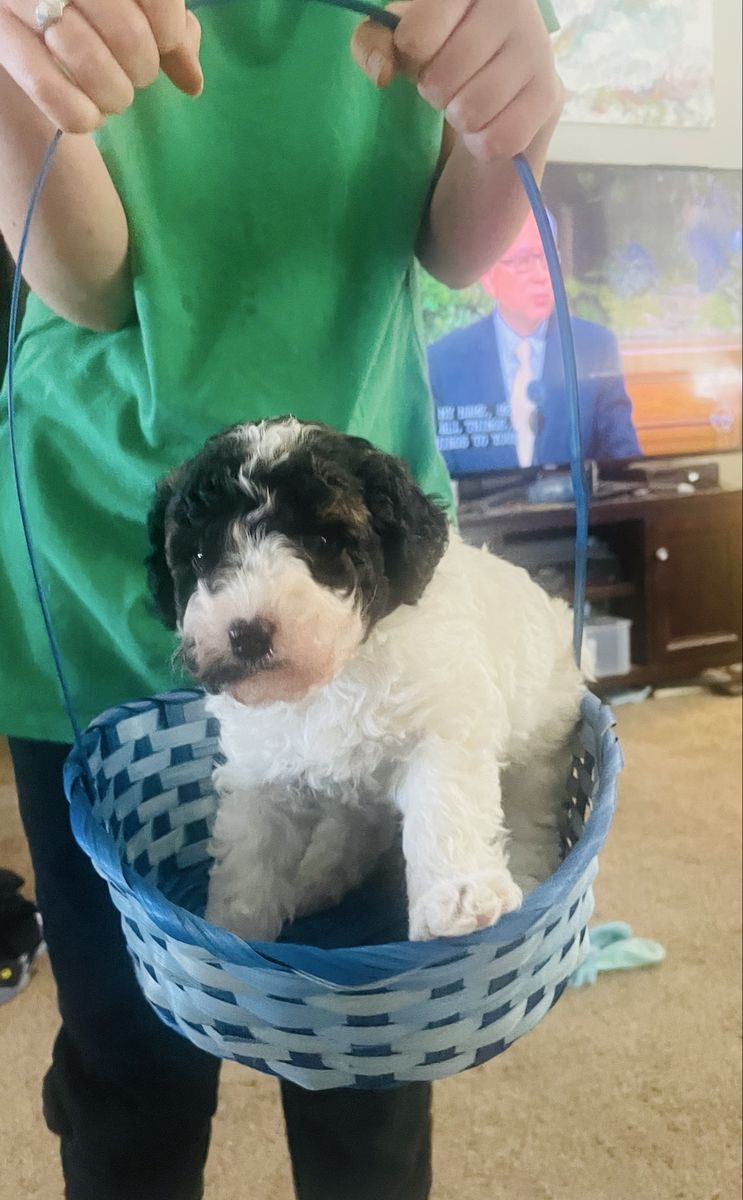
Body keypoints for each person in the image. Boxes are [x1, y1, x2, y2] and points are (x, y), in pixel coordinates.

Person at [0, 0, 562, 1196]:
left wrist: (507, 103)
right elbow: (89, 281)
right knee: (130, 1054)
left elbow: (459, 245)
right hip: (102, 561)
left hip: (370, 592)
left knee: (368, 1057)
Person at [428, 209, 642, 477]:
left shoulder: (596, 347)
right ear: (488, 277)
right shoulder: (443, 362)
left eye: (548, 258)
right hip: (480, 519)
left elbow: (626, 465)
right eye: (523, 262)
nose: (542, 275)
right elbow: (437, 480)